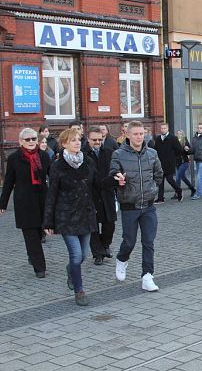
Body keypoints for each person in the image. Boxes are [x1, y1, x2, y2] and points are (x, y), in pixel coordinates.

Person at [43, 128, 123, 306]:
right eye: (73, 140)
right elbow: (51, 194)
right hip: (66, 217)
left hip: (86, 215)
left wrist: (115, 180)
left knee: (83, 256)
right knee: (76, 254)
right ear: (64, 144)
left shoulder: (87, 162)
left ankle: (71, 269)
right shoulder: (57, 166)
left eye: (78, 139)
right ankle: (79, 291)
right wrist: (47, 221)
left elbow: (98, 184)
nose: (77, 143)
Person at [110, 120, 163, 292]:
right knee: (129, 241)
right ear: (127, 135)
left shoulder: (152, 153)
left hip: (148, 206)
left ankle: (147, 276)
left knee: (148, 241)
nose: (139, 137)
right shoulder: (118, 154)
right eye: (136, 134)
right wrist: (118, 177)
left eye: (141, 134)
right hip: (129, 205)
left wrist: (153, 189)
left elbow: (159, 175)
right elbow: (113, 172)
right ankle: (122, 259)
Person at [0, 128, 51, 278]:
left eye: (33, 139)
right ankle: (39, 267)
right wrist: (2, 204)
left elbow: (53, 177)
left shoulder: (44, 156)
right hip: (24, 202)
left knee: (40, 232)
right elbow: (8, 182)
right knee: (30, 235)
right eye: (27, 139)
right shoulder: (14, 158)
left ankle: (33, 256)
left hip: (42, 199)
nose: (31, 142)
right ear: (20, 141)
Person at [84, 126, 118, 265]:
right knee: (93, 226)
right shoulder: (83, 154)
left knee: (109, 223)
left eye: (100, 139)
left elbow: (115, 169)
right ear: (88, 139)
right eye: (94, 139)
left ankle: (105, 245)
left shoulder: (109, 152)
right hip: (91, 194)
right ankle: (97, 253)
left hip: (107, 191)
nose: (97, 142)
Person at [153, 122, 184, 203]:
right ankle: (160, 198)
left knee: (170, 179)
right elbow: (155, 150)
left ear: (168, 129)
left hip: (169, 163)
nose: (162, 130)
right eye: (161, 128)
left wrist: (173, 157)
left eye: (164, 128)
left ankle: (179, 191)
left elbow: (179, 149)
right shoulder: (158, 138)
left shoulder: (173, 138)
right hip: (160, 163)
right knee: (160, 181)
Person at [174, 130, 197, 197]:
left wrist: (187, 149)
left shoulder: (185, 142)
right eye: (178, 134)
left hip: (184, 162)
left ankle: (178, 193)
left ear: (183, 135)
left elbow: (190, 152)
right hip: (177, 162)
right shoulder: (175, 142)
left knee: (178, 176)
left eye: (180, 134)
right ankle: (192, 189)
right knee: (183, 177)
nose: (179, 135)